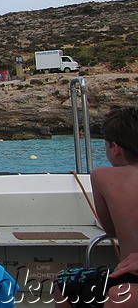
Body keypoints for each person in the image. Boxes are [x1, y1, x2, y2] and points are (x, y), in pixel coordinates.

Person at [56, 107, 138, 308]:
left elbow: (110, 230)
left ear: (115, 148)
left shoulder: (103, 176)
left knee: (63, 283)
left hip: (129, 277)